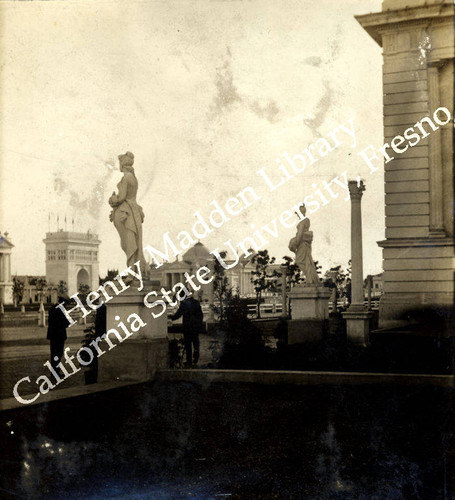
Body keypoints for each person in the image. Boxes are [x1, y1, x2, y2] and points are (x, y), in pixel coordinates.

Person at [108, 151, 146, 272]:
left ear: (122, 164)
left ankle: (132, 272)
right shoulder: (133, 178)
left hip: (126, 213)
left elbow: (122, 197)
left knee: (128, 244)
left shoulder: (126, 178)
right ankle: (135, 270)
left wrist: (113, 199)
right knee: (133, 242)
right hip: (134, 211)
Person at [288, 204, 319, 284]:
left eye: (297, 213)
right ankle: (310, 278)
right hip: (305, 243)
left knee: (300, 261)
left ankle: (310, 278)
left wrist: (295, 244)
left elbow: (300, 234)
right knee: (307, 261)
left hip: (302, 243)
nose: (297, 215)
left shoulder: (303, 221)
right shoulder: (306, 220)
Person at [171, 295, 203, 367]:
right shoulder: (196, 302)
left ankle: (189, 361)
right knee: (195, 341)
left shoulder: (184, 304)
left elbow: (178, 314)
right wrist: (199, 324)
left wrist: (171, 318)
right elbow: (200, 315)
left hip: (187, 327)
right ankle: (196, 354)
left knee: (188, 344)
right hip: (195, 326)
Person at [47, 295, 71, 375]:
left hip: (52, 334)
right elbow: (66, 323)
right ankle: (56, 372)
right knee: (58, 353)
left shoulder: (52, 308)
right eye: (66, 304)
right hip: (59, 335)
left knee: (53, 353)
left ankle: (54, 371)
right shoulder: (60, 310)